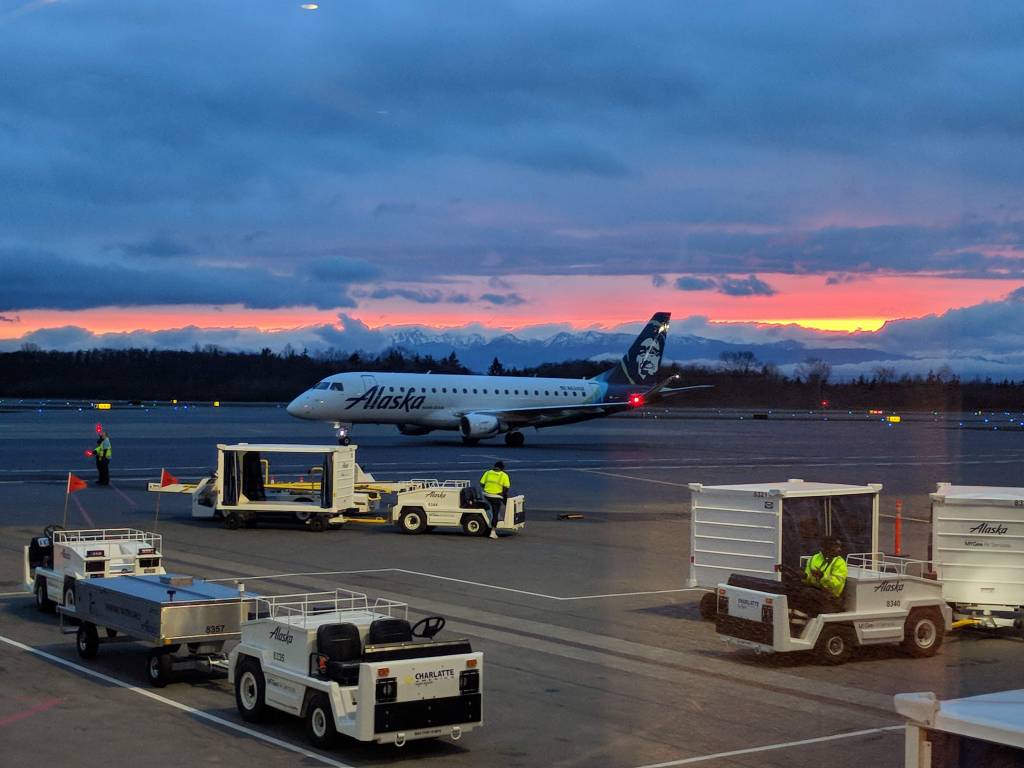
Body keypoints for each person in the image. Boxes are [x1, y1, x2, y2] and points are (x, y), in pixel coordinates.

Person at [785, 536, 847, 619]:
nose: (839, 549)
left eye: (839, 547)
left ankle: (800, 619)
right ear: (826, 547)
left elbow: (837, 585)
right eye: (836, 547)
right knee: (792, 589)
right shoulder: (814, 558)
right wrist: (804, 576)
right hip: (816, 591)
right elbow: (809, 579)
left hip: (830, 598)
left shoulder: (840, 563)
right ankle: (790, 617)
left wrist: (822, 576)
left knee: (807, 593)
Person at [479, 460, 510, 540]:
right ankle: (493, 531)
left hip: (486, 495)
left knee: (489, 509)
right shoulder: (504, 475)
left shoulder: (488, 473)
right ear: (502, 468)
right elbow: (506, 488)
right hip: (496, 497)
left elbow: (482, 484)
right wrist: (503, 497)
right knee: (495, 512)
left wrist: (488, 488)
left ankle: (488, 523)